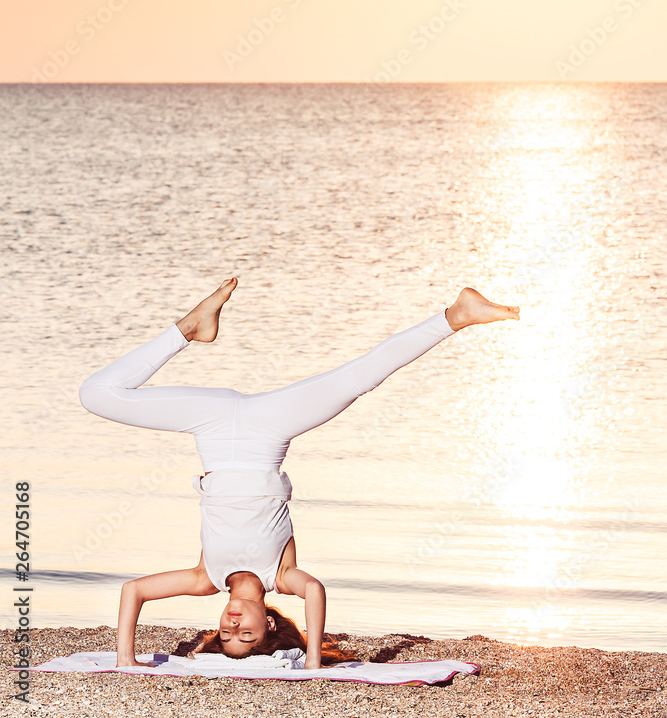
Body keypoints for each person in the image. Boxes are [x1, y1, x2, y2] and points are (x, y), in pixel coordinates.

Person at [79, 278, 519, 669]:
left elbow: (133, 591)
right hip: (269, 431)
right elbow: (315, 591)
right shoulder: (282, 577)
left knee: (95, 395)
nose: (233, 627)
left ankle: (189, 328)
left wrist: (125, 658)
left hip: (210, 427)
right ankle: (456, 316)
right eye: (247, 635)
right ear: (268, 622)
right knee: (358, 377)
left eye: (225, 635)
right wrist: (311, 659)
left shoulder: (204, 578)